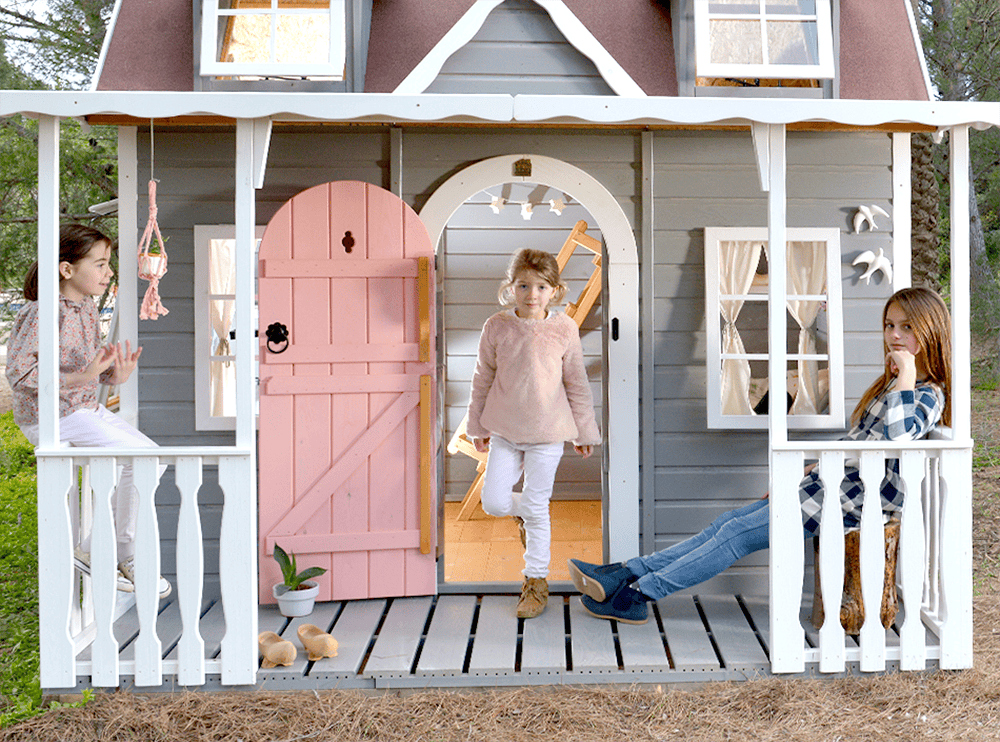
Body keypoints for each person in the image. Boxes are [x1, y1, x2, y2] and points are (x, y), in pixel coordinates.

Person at [569, 287, 951, 624]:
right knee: (727, 522)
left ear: (930, 332)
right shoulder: (896, 387)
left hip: (851, 504)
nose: (894, 336)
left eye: (907, 328)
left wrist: (905, 376)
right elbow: (862, 440)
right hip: (828, 489)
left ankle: (639, 595)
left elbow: (899, 439)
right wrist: (815, 467)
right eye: (889, 325)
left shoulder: (927, 394)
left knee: (735, 535)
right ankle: (623, 574)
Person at [6, 224, 171, 598]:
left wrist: (116, 375)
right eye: (99, 264)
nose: (108, 272)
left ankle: (105, 549)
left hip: (82, 408)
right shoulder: (42, 311)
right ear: (67, 270)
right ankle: (114, 552)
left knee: (153, 459)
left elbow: (85, 370)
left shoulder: (83, 309)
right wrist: (85, 375)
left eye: (107, 264)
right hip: (53, 416)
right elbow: (19, 372)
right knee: (140, 459)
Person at [467, 248, 601, 618]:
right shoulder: (497, 327)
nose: (532, 294)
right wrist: (476, 426)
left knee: (538, 507)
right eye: (524, 285)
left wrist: (584, 432)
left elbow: (576, 381)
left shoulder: (563, 328)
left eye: (541, 287)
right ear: (511, 288)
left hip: (548, 434)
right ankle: (528, 514)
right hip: (506, 432)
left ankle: (536, 581)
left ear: (555, 291)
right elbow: (482, 379)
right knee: (494, 502)